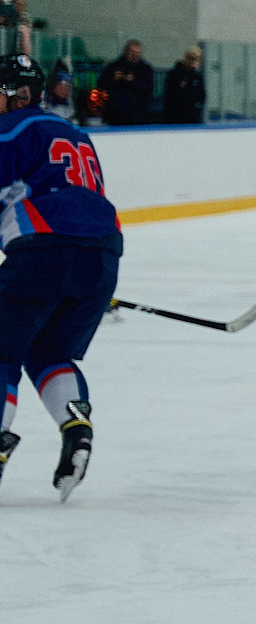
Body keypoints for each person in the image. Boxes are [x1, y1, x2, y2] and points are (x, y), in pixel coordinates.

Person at [0, 52, 121, 500]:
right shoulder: (75, 134)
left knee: (2, 351)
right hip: (103, 255)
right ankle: (76, 429)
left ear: (16, 94)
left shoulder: (9, 128)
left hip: (44, 251)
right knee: (48, 349)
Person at [97, 40, 153, 127]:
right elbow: (101, 85)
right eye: (132, 52)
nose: (135, 56)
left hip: (137, 112)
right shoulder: (113, 66)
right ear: (126, 51)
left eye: (138, 53)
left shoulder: (146, 69)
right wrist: (114, 79)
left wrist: (133, 82)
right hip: (116, 111)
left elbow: (148, 88)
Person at [162, 45, 206, 125]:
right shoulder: (176, 74)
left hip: (193, 115)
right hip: (177, 115)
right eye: (192, 58)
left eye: (197, 59)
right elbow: (173, 94)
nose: (195, 61)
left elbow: (202, 94)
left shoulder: (197, 76)